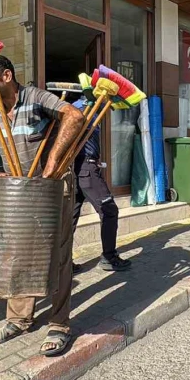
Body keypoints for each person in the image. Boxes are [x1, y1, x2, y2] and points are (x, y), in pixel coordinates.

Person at [0, 55, 85, 357]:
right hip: (18, 192)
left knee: (57, 255)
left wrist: (52, 165)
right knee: (18, 251)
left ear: (6, 76)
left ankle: (59, 324)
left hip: (52, 187)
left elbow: (74, 117)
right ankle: (19, 319)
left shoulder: (36, 98)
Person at [70, 96, 131, 273]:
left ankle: (63, 263)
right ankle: (109, 257)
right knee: (109, 210)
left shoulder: (82, 107)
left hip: (78, 167)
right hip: (86, 169)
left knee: (70, 216)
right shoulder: (85, 108)